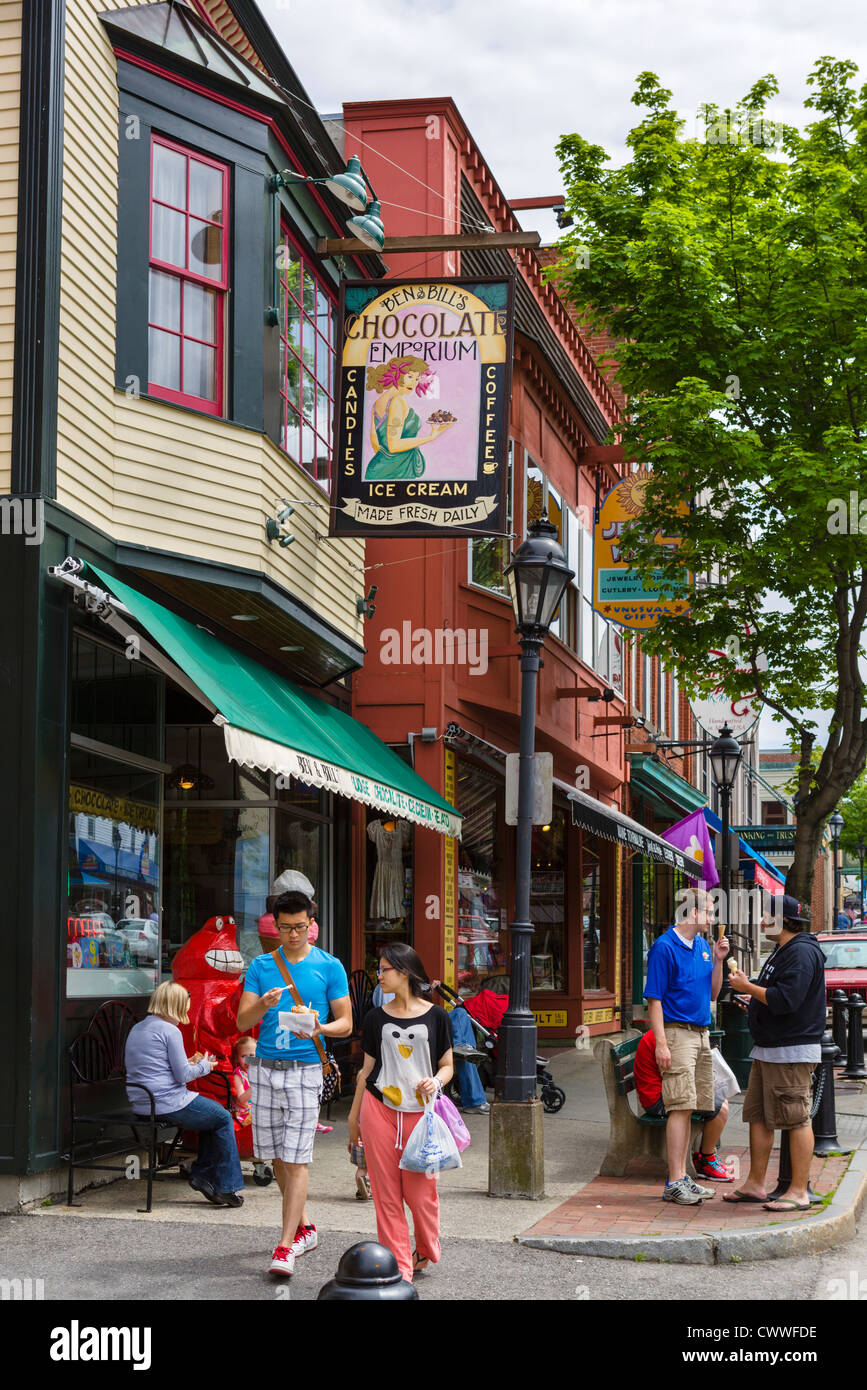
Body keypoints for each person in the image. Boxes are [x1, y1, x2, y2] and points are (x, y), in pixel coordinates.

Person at [236, 890, 352, 1277]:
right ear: (275, 926)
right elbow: (240, 1022)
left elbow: (347, 1023)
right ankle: (306, 1227)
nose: (292, 935)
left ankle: (285, 1246)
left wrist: (320, 1027)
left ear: (311, 925)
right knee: (277, 1158)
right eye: (284, 928)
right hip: (264, 1068)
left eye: (299, 927)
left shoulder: (329, 966)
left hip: (305, 1070)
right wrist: (263, 1005)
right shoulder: (261, 966)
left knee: (297, 1157)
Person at [347, 944, 454, 1283]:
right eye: (379, 969)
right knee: (387, 1196)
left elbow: (448, 1065)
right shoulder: (375, 1018)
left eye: (384, 969)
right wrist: (354, 1119)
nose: (379, 975)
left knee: (422, 1196)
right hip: (378, 1110)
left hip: (422, 1116)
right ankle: (400, 1270)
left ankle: (425, 1246)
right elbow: (366, 1071)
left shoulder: (437, 1016)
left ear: (404, 972)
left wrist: (435, 1082)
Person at [725, 894, 825, 1212]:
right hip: (769, 1049)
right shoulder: (783, 951)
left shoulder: (802, 952)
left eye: (766, 916)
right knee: (759, 1116)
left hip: (790, 1051)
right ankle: (755, 1184)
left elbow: (787, 999)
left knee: (795, 1119)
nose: (762, 921)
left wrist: (748, 988)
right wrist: (753, 997)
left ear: (781, 920)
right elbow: (774, 995)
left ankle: (798, 1192)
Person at [124, 980, 244, 1207]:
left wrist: (189, 1064)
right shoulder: (170, 1031)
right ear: (176, 1005)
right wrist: (205, 1066)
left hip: (142, 1101)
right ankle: (224, 1185)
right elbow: (182, 1076)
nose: (187, 1010)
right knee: (222, 1117)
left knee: (213, 1117)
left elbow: (155, 1066)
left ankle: (205, 1176)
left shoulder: (138, 1027)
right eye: (186, 1005)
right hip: (166, 1101)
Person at [644, 888, 729, 1205]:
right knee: (679, 1106)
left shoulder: (704, 947)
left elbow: (713, 995)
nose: (711, 917)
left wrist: (718, 961)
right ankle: (675, 1180)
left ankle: (683, 1177)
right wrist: (661, 1044)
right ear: (693, 913)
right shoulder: (664, 947)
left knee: (691, 1105)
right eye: (708, 911)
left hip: (701, 1034)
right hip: (677, 1034)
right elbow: (654, 1000)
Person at [632, 1026, 732, 1182]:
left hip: (662, 1093)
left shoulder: (666, 1033)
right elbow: (678, 1078)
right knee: (720, 1108)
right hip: (658, 1101)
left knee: (719, 1100)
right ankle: (706, 1161)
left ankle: (706, 1156)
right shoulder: (667, 1038)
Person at [364, 358, 455, 481]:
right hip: (395, 473)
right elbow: (393, 445)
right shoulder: (398, 401)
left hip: (379, 468)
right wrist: (431, 437)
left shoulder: (377, 403)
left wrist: (388, 461)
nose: (414, 383)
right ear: (397, 375)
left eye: (417, 379)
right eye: (410, 377)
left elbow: (375, 441)